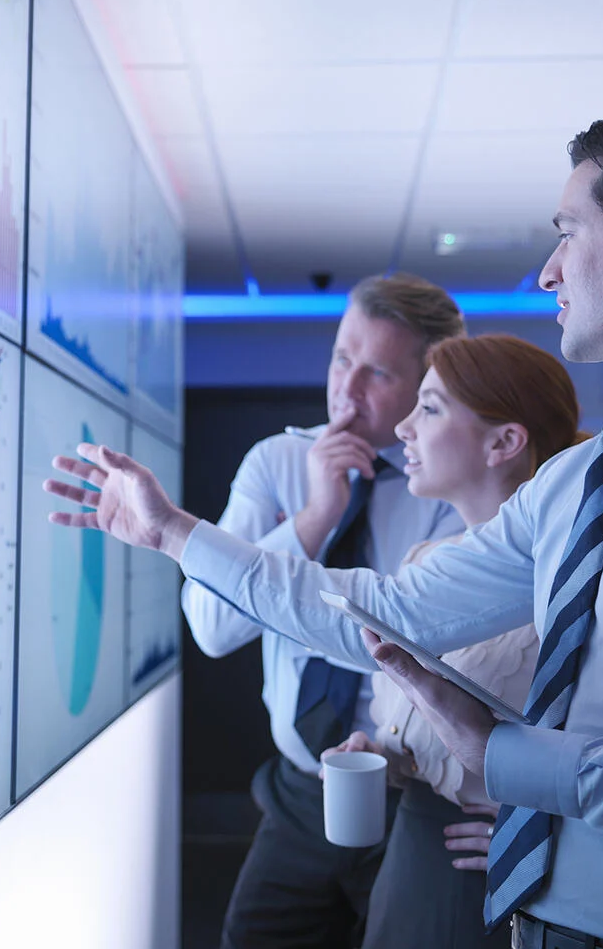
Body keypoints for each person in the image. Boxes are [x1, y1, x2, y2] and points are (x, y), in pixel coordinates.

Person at [46, 102, 603, 949]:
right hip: (536, 922)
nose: (547, 272)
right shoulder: (582, 477)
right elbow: (381, 610)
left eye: (567, 233)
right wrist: (172, 532)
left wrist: (522, 765)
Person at [181, 272, 467, 948]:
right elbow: (213, 629)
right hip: (301, 793)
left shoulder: (453, 483)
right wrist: (314, 516)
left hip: (417, 798)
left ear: (427, 385)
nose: (347, 388)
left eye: (376, 373)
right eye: (342, 358)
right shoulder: (276, 462)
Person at [330, 334, 584, 949]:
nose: (404, 428)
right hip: (411, 858)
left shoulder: (569, 587)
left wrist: (554, 833)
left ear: (505, 442)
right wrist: (380, 754)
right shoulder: (426, 561)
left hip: (493, 873)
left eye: (431, 409)